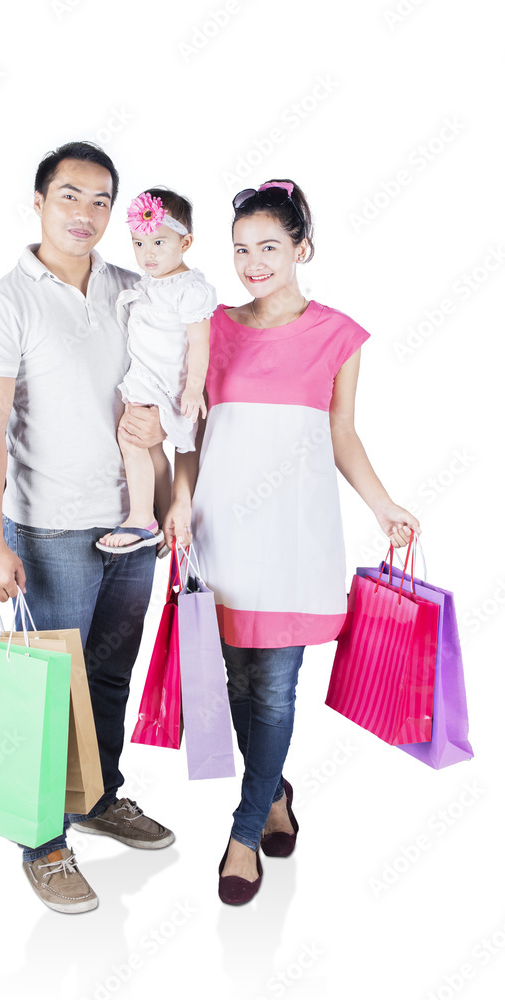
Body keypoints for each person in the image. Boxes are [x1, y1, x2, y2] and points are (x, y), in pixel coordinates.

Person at [163, 179, 421, 905]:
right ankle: (273, 791)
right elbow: (192, 431)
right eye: (241, 249)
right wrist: (179, 501)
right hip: (220, 529)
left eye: (268, 247)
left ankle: (244, 831)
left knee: (273, 689)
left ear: (301, 248)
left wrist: (382, 504)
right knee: (233, 681)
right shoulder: (209, 326)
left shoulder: (338, 334)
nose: (252, 262)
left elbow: (341, 432)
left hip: (294, 536)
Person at [0, 141, 174, 915]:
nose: (85, 214)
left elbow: (171, 385)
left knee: (110, 678)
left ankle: (97, 797)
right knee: (48, 692)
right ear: (38, 201)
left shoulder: (131, 288)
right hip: (50, 530)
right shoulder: (4, 302)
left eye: (99, 201)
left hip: (133, 525)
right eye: (69, 197)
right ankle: (42, 841)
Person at [96, 188, 216, 554]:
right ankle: (165, 519)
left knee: (131, 438)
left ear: (186, 241)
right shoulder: (149, 282)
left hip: (165, 383)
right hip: (144, 377)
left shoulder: (190, 289)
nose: (147, 254)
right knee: (150, 450)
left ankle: (140, 516)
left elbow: (200, 343)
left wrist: (193, 388)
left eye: (159, 242)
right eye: (139, 243)